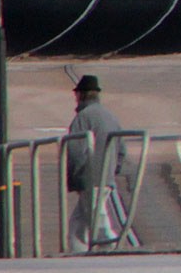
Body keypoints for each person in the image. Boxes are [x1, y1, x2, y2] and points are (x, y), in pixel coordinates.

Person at [66, 74, 125, 252]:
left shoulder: (83, 118)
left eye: (76, 94)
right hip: (106, 178)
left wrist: (76, 178)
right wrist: (113, 170)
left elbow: (75, 150)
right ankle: (79, 253)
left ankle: (112, 249)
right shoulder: (110, 116)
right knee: (79, 222)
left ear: (81, 95)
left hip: (91, 179)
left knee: (98, 220)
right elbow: (121, 150)